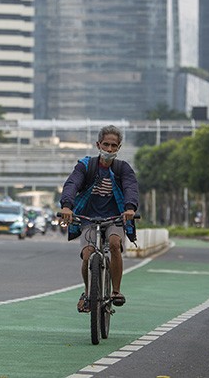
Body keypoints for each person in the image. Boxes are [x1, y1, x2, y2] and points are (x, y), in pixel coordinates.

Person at [59, 125, 139, 313]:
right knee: (87, 255)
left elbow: (130, 187)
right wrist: (66, 206)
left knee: (113, 243)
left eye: (113, 145)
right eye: (106, 144)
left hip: (115, 218)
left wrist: (129, 208)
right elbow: (72, 183)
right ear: (98, 145)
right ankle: (88, 294)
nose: (109, 149)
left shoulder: (122, 168)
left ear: (119, 147)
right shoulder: (86, 166)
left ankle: (116, 291)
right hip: (88, 218)